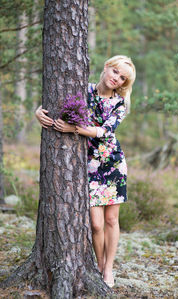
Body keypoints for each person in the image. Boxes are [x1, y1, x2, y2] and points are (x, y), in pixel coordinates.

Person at [35, 55, 136, 287]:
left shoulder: (119, 104)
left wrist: (75, 129)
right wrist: (38, 111)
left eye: (122, 78)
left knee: (111, 220)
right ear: (106, 67)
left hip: (112, 164)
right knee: (96, 223)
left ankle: (107, 269)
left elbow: (105, 132)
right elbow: (56, 101)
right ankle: (97, 264)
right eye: (115, 72)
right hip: (89, 164)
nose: (117, 79)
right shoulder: (84, 89)